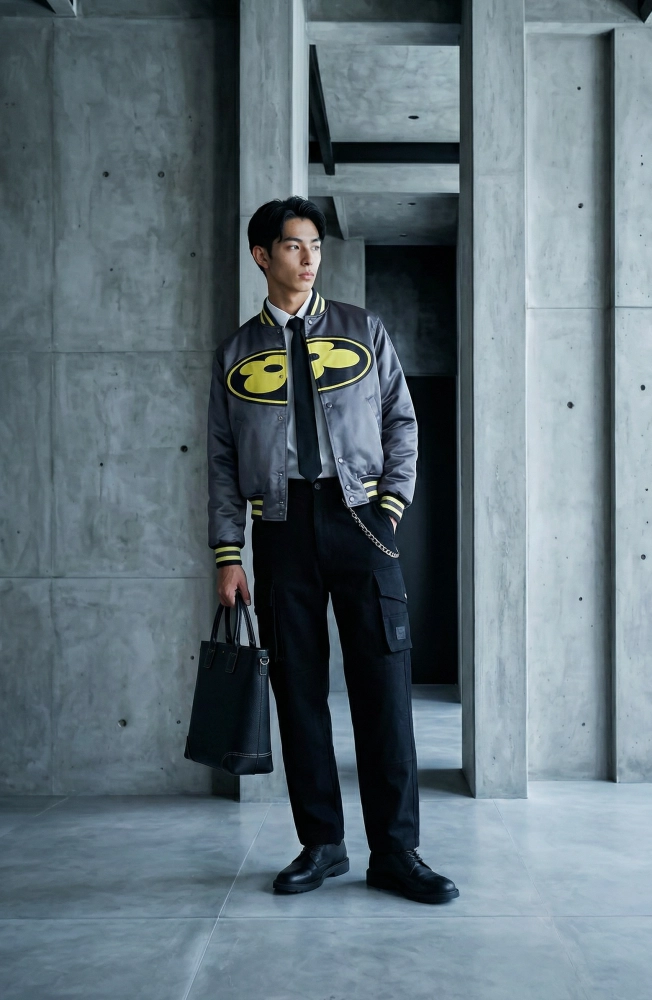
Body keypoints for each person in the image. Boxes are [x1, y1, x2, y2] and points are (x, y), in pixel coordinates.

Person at [206, 195, 458, 905]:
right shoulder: (235, 353)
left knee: (384, 689)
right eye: (294, 245)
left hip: (362, 520)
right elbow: (221, 460)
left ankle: (397, 852)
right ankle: (322, 845)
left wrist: (391, 505)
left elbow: (402, 421)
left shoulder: (363, 329)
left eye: (315, 244)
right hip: (280, 528)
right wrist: (229, 552)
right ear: (263, 255)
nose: (309, 257)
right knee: (298, 694)